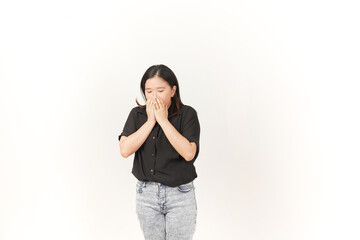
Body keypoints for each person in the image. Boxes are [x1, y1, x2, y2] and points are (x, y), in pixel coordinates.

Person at [118, 64, 200, 240]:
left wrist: (163, 121)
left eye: (160, 90)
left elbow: (188, 153)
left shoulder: (187, 114)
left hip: (180, 195)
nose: (153, 96)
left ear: (173, 90)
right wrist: (150, 122)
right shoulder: (137, 115)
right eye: (148, 91)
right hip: (146, 195)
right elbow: (125, 150)